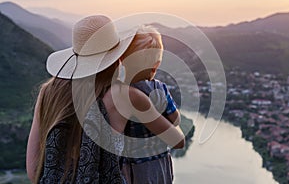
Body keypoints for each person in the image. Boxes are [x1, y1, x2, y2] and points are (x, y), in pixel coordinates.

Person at [26, 15, 185, 184]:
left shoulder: (48, 92)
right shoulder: (125, 96)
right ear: (118, 57)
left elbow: (34, 170)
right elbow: (177, 140)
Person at [120, 26, 181, 184]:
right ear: (157, 64)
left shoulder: (119, 93)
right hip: (161, 164)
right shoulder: (161, 89)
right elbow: (176, 120)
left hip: (134, 167)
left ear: (122, 60)